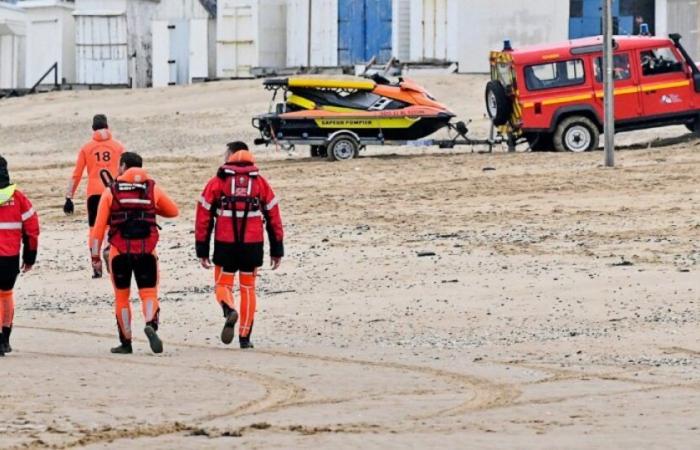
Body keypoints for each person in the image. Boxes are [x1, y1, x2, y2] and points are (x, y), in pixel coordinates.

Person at [195, 142, 284, 349]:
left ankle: (228, 310)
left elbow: (203, 217)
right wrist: (277, 248)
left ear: (231, 156)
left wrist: (202, 248)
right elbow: (273, 216)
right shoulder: (260, 182)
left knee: (223, 284)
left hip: (225, 244)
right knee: (248, 289)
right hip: (252, 245)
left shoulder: (218, 181)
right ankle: (245, 337)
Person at [91, 152, 179, 354]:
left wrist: (95, 256)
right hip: (147, 251)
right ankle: (151, 324)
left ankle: (126, 342)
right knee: (148, 292)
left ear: (122, 167)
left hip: (119, 252)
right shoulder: (152, 188)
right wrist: (153, 210)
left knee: (121, 297)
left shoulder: (110, 191)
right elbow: (173, 211)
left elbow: (97, 229)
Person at [65, 114, 124, 278]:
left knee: (94, 229)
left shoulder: (86, 148)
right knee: (114, 227)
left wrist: (69, 197)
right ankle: (111, 254)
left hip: (94, 195)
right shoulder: (118, 146)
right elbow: (124, 170)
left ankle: (96, 264)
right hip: (113, 192)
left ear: (93, 128)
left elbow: (76, 174)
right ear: (107, 126)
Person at [0, 156, 39, 356]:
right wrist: (30, 256)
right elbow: (32, 229)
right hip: (9, 258)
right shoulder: (19, 198)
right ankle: (4, 339)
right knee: (5, 295)